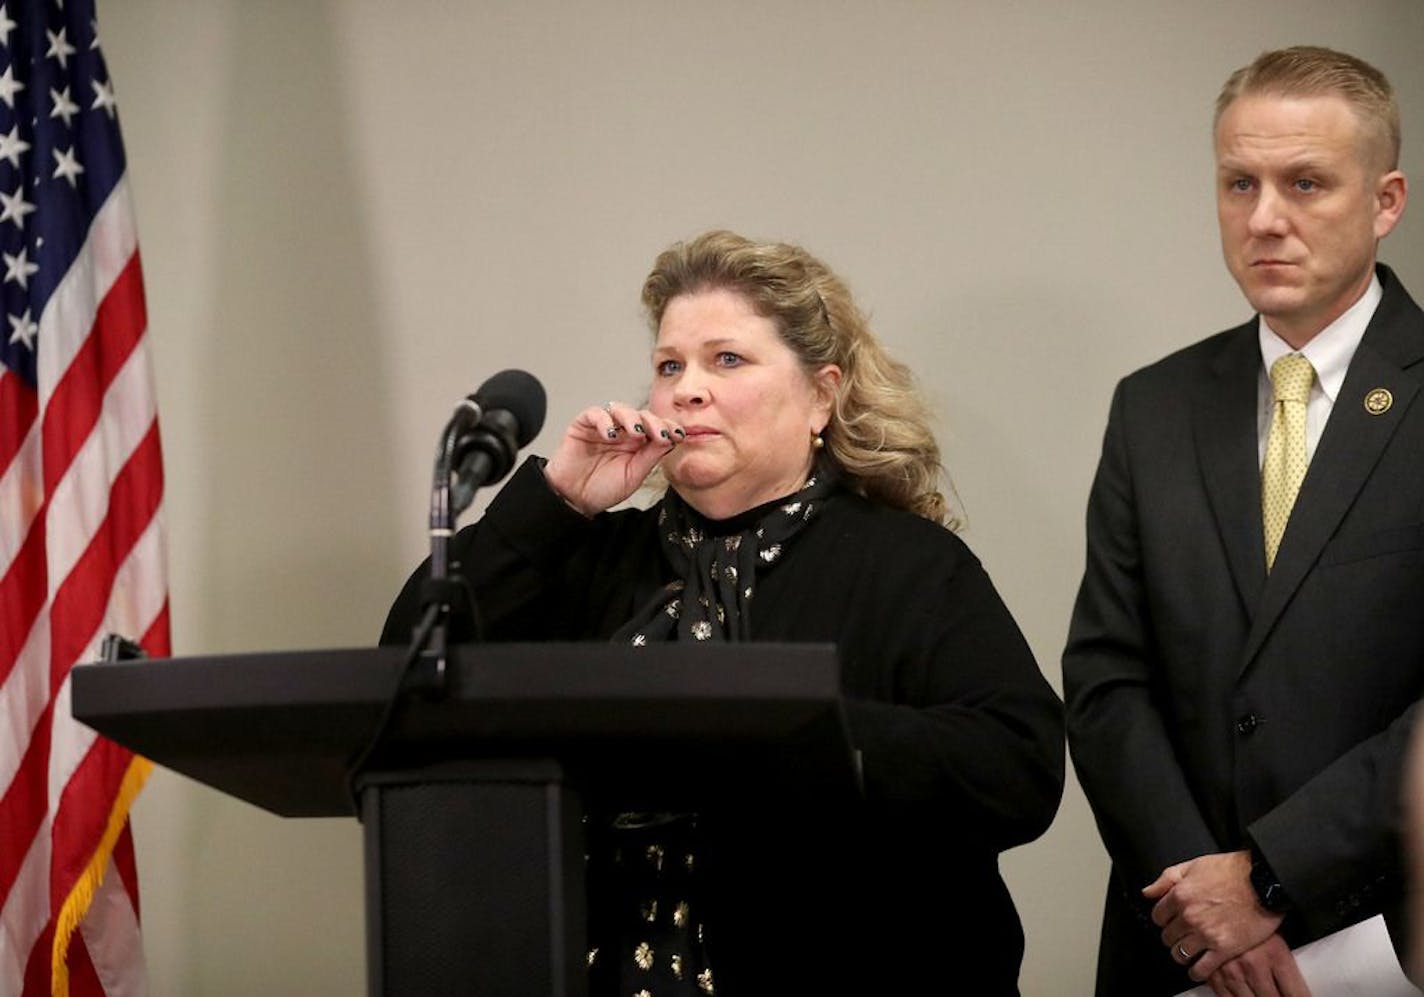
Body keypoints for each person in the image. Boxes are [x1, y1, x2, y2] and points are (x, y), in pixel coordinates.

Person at [382, 229, 1064, 994]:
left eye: (726, 359)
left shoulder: (907, 563)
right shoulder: (588, 553)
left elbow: (1018, 765)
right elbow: (407, 666)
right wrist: (557, 504)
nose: (686, 387)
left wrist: (801, 730)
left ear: (821, 395)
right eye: (669, 365)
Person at [1064, 45, 1415, 996]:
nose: (1265, 218)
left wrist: (1271, 873)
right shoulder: (1154, 405)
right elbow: (1105, 676)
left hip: (1386, 932)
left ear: (1386, 201)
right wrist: (1202, 903)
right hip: (1179, 947)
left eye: (1306, 183)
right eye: (1239, 182)